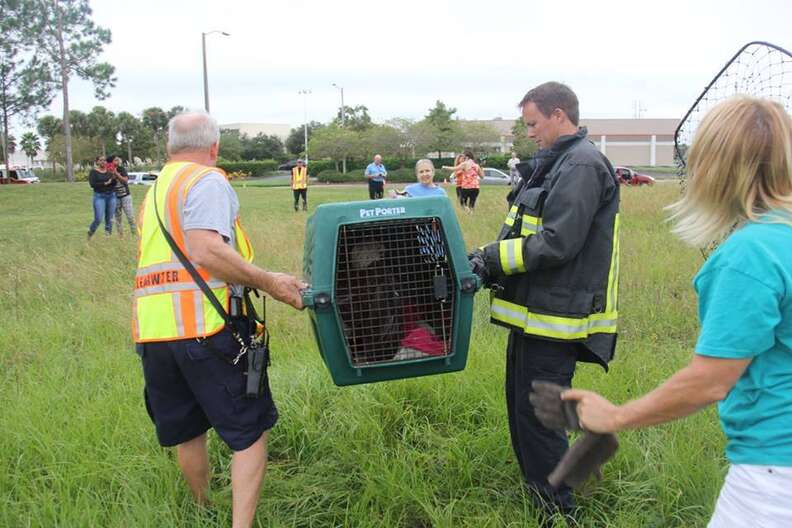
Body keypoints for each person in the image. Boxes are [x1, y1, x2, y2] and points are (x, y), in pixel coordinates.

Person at [561, 97, 792, 528]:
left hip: (774, 477)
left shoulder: (750, 255)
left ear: (715, 166)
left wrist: (616, 416)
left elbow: (709, 381)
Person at [133, 110, 306, 528]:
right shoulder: (206, 179)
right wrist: (270, 282)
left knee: (188, 429)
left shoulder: (156, 190)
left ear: (168, 147)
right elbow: (205, 250)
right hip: (206, 327)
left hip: (155, 332)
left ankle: (201, 510)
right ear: (214, 148)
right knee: (249, 433)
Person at [468, 81, 620, 519]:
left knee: (541, 418)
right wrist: (485, 258)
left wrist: (492, 260)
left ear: (559, 115)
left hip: (556, 319)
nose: (529, 133)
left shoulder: (582, 165)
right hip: (533, 316)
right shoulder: (556, 163)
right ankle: (542, 493)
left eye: (533, 124)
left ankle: (558, 511)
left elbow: (557, 242)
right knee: (524, 409)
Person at [87, 156, 117, 238]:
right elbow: (92, 185)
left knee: (110, 218)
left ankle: (108, 236)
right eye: (101, 160)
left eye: (104, 160)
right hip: (99, 196)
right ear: (97, 162)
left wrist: (114, 178)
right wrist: (105, 183)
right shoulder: (93, 172)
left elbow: (113, 184)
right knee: (98, 218)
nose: (103, 162)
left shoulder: (109, 171)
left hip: (111, 196)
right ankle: (90, 233)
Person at [107, 155, 136, 236]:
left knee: (130, 216)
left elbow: (125, 181)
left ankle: (135, 234)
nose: (118, 161)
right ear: (111, 162)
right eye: (116, 160)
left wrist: (116, 173)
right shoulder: (106, 171)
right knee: (118, 218)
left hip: (125, 196)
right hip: (115, 197)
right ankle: (121, 236)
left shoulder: (121, 169)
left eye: (118, 160)